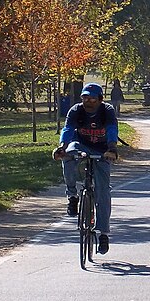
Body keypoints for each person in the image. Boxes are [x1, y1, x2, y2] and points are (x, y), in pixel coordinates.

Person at [53, 83, 119, 254]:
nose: (88, 102)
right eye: (85, 98)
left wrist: (112, 148)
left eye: (92, 98)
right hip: (80, 144)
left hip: (102, 150)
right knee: (67, 155)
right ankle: (72, 196)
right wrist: (62, 146)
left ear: (100, 99)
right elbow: (67, 129)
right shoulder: (76, 110)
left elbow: (112, 128)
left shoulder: (107, 110)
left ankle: (103, 233)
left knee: (103, 191)